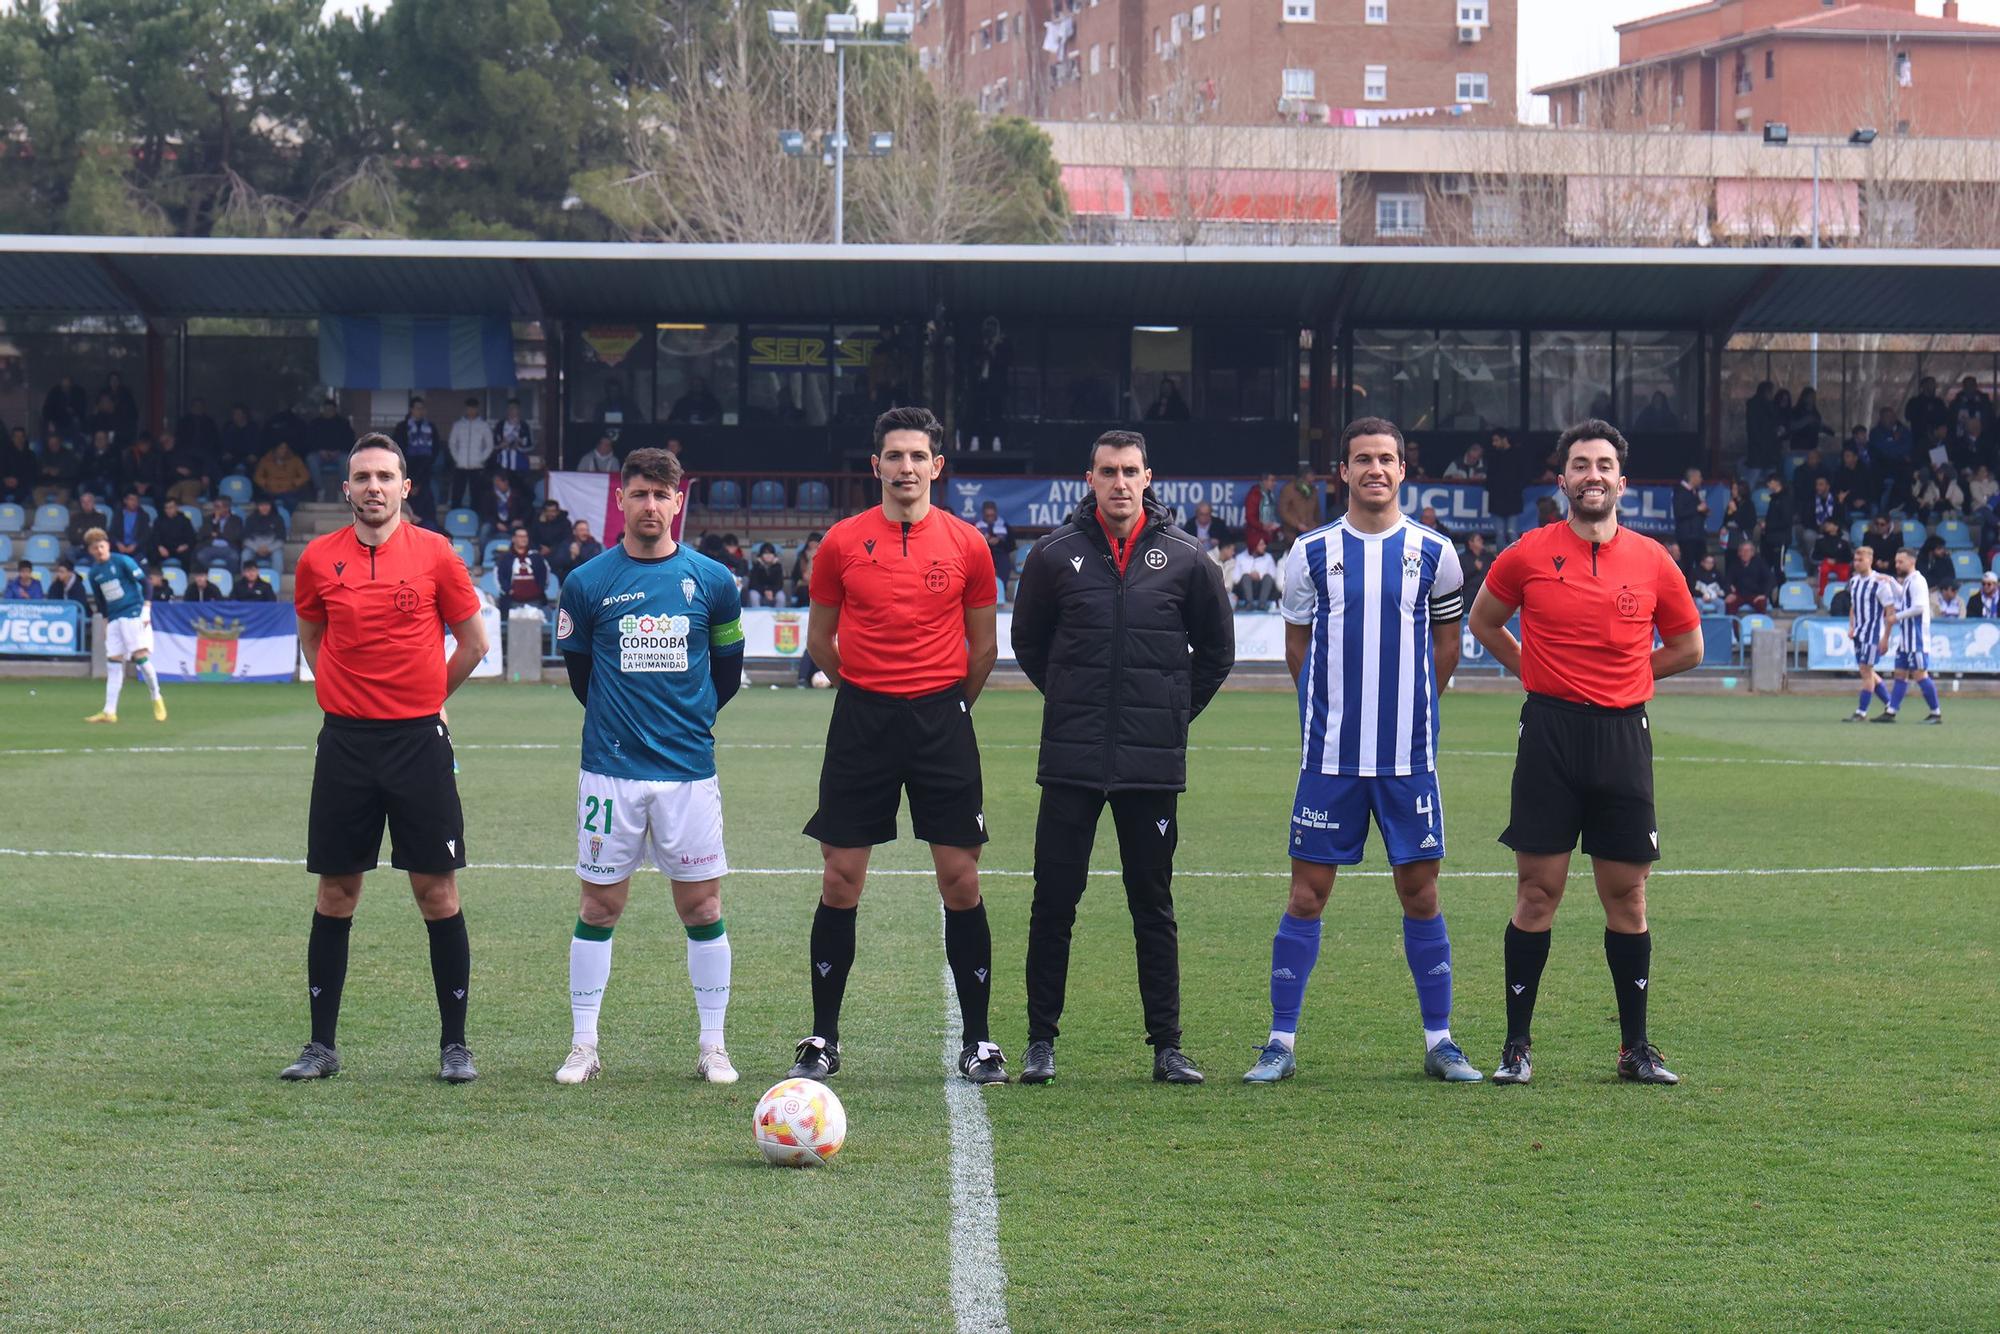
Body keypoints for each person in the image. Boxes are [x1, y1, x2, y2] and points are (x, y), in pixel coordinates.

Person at [1240, 417, 1481, 1088]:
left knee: (1421, 893)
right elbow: (1298, 647)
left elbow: (1447, 646)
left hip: (1408, 761)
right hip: (1331, 759)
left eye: (1387, 459)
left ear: (1403, 470)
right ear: (1342, 472)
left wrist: (1411, 714)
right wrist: (1331, 711)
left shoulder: (1437, 553)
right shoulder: (1309, 552)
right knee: (1306, 895)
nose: (1376, 469)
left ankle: (1441, 1041)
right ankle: (1280, 1043)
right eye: (1362, 459)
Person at [1467, 419, 1703, 1087]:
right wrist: (1532, 669)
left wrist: (1630, 676)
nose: (1591, 474)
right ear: (1562, 478)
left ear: (1621, 482)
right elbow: (1485, 621)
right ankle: (1516, 1046)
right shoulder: (1527, 553)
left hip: (1623, 735)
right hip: (1549, 735)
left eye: (1603, 464)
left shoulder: (1654, 560)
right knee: (1537, 892)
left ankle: (1635, 1050)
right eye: (1580, 464)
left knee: (1627, 896)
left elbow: (1689, 648)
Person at [1009, 428, 1234, 1086]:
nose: (1119, 482)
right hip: (1072, 762)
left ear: (1147, 477)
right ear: (1090, 479)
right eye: (1108, 471)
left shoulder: (1188, 560)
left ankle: (1167, 1046)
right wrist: (1079, 703)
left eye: (1130, 471)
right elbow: (1030, 643)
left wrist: (1166, 714)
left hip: (1149, 766)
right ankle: (1040, 1042)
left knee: (1152, 903)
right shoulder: (1053, 556)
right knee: (1053, 901)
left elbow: (1216, 654)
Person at [787, 406, 1003, 1086]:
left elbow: (985, 646)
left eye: (918, 456)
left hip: (942, 720)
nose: (906, 467)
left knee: (960, 881)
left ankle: (980, 1041)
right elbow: (821, 640)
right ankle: (823, 1038)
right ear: (875, 465)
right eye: (894, 456)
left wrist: (948, 704)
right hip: (863, 720)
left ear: (937, 466)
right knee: (840, 878)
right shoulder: (842, 543)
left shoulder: (968, 544)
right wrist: (865, 690)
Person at [281, 433, 488, 1084]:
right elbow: (312, 637)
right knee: (337, 891)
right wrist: (342, 692)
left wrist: (427, 699)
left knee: (436, 890)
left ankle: (455, 1046)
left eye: (385, 476)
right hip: (345, 744)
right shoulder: (317, 559)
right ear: (347, 489)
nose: (374, 486)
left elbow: (475, 644)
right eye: (362, 476)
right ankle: (321, 1047)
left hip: (417, 743)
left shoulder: (436, 555)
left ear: (406, 488)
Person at [550, 447, 745, 1087]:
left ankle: (713, 1046)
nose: (651, 506)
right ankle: (584, 1045)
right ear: (620, 501)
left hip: (688, 772)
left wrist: (684, 722)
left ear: (678, 501)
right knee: (600, 904)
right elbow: (582, 676)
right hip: (610, 771)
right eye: (640, 494)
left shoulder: (713, 581)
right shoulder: (586, 582)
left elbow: (727, 677)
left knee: (702, 904)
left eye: (663, 494)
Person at [81, 528, 168, 724]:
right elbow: (100, 600)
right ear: (91, 551)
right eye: (95, 548)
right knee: (113, 661)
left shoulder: (122, 561)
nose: (99, 551)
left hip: (133, 612)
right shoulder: (94, 573)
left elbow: (146, 583)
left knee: (140, 657)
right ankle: (109, 711)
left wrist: (146, 608)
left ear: (108, 545)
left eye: (102, 546)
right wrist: (105, 621)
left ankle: (156, 696)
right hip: (114, 618)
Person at [1878, 547, 1942, 725]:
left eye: (1901, 561)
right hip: (1907, 638)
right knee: (1899, 674)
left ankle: (1935, 712)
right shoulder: (1909, 581)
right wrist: (1890, 580)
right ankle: (1891, 711)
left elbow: (1920, 607)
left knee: (1920, 675)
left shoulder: (1918, 581)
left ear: (1911, 561)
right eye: (1896, 561)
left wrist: (1895, 617)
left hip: (1917, 637)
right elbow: (1903, 595)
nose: (1897, 564)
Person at [1843, 544, 1895, 722]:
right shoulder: (1854, 581)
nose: (1857, 563)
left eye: (1861, 560)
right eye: (1855, 560)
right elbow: (1854, 607)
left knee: (1866, 671)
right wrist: (1852, 626)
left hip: (1873, 634)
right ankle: (1890, 705)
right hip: (1859, 633)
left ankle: (1861, 712)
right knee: (1867, 671)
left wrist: (1886, 637)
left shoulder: (1879, 583)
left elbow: (1890, 610)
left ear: (1870, 561)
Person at [1484, 428, 1530, 544]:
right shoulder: (1493, 456)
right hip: (1496, 502)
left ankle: (1514, 560)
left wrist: (1516, 489)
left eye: (1496, 440)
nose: (1494, 444)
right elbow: (1489, 477)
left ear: (1504, 439)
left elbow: (1524, 476)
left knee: (1511, 532)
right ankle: (1501, 561)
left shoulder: (1518, 455)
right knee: (1499, 533)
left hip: (1512, 501)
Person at [447, 397, 494, 509]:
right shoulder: (458, 425)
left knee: (476, 494)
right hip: (461, 465)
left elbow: (489, 445)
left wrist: (481, 459)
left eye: (473, 408)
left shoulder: (483, 425)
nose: (471, 411)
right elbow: (452, 443)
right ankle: (455, 516)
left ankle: (475, 518)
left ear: (477, 409)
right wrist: (457, 458)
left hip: (476, 466)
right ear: (466, 409)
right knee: (457, 493)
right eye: (469, 408)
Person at [494, 527, 551, 619]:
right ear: (513, 539)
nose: (523, 539)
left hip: (535, 600)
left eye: (525, 536)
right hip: (512, 601)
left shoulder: (537, 557)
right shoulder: (505, 558)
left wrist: (540, 590)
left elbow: (546, 575)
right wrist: (509, 591)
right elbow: (499, 577)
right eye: (520, 536)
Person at [391, 397, 441, 499]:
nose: (420, 411)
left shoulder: (430, 426)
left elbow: (436, 446)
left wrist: (430, 460)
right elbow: (397, 445)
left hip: (426, 466)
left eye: (422, 408)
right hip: (408, 465)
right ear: (411, 409)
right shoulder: (402, 426)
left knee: (426, 495)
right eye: (418, 408)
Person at [1724, 540, 1777, 615]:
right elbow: (1727, 580)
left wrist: (1764, 595)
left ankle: (1761, 625)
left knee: (1762, 603)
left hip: (1756, 595)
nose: (1745, 553)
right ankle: (1733, 626)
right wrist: (1729, 593)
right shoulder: (1734, 564)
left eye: (1747, 551)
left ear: (1752, 553)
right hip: (1739, 595)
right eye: (1743, 551)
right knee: (1729, 603)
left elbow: (1770, 579)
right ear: (1739, 553)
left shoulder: (1760, 563)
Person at [192, 498, 244, 572]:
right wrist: (215, 521)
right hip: (210, 546)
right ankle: (212, 574)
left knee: (234, 557)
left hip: (229, 547)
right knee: (201, 556)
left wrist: (218, 534)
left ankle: (230, 576)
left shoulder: (236, 520)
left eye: (218, 507)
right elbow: (200, 535)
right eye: (215, 506)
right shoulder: (208, 519)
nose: (215, 509)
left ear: (226, 508)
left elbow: (235, 536)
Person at [975, 500, 1011, 604]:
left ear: (996, 513)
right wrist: (984, 540)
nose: (990, 517)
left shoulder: (1004, 525)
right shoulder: (977, 526)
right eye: (987, 515)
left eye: (992, 515)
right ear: (983, 514)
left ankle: (1002, 593)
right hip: (983, 554)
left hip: (1001, 553)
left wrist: (999, 541)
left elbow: (1011, 545)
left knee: (1004, 565)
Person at [255, 439, 312, 504]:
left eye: (285, 448)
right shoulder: (265, 460)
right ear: (275, 449)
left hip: (289, 491)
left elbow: (305, 475)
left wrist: (294, 483)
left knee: (291, 501)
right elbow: (257, 476)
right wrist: (266, 483)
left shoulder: (295, 460)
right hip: (271, 491)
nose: (284, 450)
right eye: (281, 448)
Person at [1672, 467, 1708, 569]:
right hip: (1687, 537)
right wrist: (1697, 509)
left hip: (1698, 535)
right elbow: (1679, 512)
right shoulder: (1680, 491)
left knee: (1702, 563)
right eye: (1700, 477)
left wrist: (1704, 511)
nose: (1701, 479)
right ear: (1693, 478)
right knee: (1688, 566)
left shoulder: (1695, 492)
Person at [1233, 533, 1280, 611]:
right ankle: (1249, 604)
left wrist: (1260, 576)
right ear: (1254, 545)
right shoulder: (1240, 557)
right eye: (1261, 545)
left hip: (1262, 589)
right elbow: (1235, 579)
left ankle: (1262, 605)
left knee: (1268, 578)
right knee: (1246, 577)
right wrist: (1249, 575)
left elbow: (1274, 576)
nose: (1264, 546)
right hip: (1245, 590)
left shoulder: (1268, 557)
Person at [147, 497, 197, 569]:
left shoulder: (185, 520)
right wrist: (160, 547)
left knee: (188, 555)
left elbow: (191, 537)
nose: (168, 510)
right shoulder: (159, 520)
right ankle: (156, 576)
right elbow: (155, 536)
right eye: (166, 508)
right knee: (151, 552)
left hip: (180, 548)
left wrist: (185, 545)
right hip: (164, 548)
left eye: (171, 507)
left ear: (177, 508)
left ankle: (184, 576)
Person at [1278, 466, 1321, 546]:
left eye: (1312, 481)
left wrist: (1316, 525)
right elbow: (1283, 511)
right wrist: (1297, 524)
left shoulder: (1313, 491)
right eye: (1308, 482)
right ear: (1301, 479)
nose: (1311, 483)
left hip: (1310, 532)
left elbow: (1317, 512)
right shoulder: (1288, 490)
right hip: (1292, 533)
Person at [1811, 520, 1854, 596]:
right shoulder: (1820, 541)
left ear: (1836, 527)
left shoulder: (1843, 541)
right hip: (1826, 563)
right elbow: (1815, 556)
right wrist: (1826, 559)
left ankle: (1842, 594)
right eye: (1826, 524)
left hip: (1840, 563)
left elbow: (1849, 557)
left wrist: (1837, 561)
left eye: (1829, 524)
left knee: (1844, 572)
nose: (1826, 525)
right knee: (1824, 569)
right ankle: (1822, 593)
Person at [744, 541, 787, 607]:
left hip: (773, 591)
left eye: (771, 553)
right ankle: (757, 615)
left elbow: (779, 584)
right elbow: (753, 584)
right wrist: (765, 591)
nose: (768, 556)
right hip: (759, 590)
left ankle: (777, 614)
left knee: (781, 597)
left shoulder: (778, 566)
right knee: (753, 595)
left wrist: (772, 591)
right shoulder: (756, 566)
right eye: (765, 553)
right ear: (761, 555)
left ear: (774, 555)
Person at [109, 493, 151, 560]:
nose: (134, 502)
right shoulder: (118, 514)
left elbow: (146, 535)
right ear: (125, 501)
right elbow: (111, 533)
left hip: (137, 548)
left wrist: (135, 545)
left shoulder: (144, 516)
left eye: (136, 500)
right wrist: (118, 544)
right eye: (131, 499)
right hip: (119, 547)